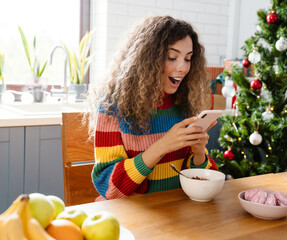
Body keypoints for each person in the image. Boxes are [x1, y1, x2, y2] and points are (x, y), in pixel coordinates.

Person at [87, 15, 219, 200]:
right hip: (132, 215)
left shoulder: (184, 102)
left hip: (175, 212)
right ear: (147, 59)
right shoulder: (113, 106)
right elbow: (108, 186)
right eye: (172, 57)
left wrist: (198, 153)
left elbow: (203, 181)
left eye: (188, 59)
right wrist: (161, 147)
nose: (182, 68)